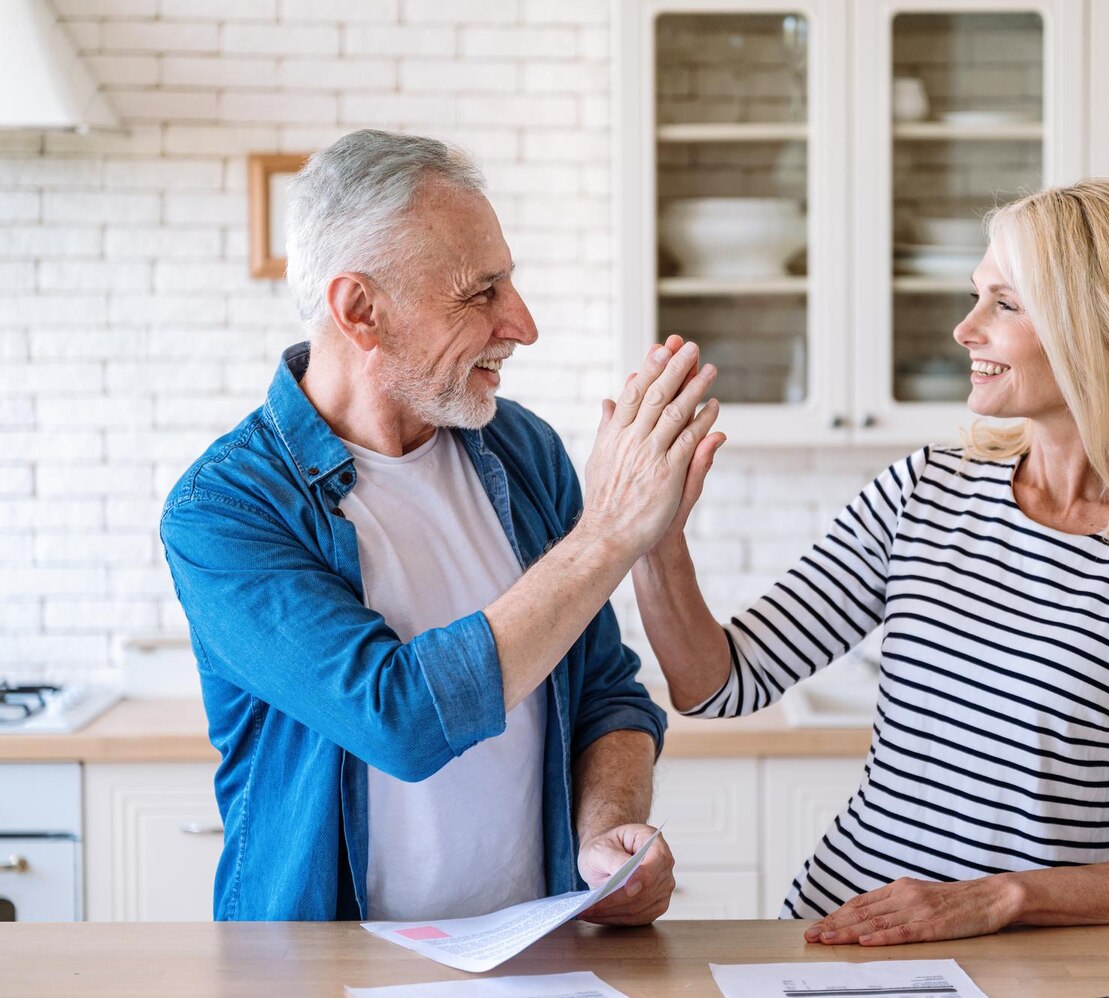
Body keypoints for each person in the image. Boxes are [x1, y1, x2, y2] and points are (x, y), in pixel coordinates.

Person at [632, 179, 1109, 945]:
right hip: (838, 938)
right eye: (977, 296)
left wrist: (1000, 898)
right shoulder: (924, 490)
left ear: (1103, 330)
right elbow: (721, 686)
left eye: (1005, 304)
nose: (966, 329)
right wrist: (654, 537)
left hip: (1027, 969)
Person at [160, 129, 723, 922]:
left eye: (511, 284)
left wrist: (603, 836)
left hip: (533, 956)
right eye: (480, 293)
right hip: (323, 967)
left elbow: (605, 692)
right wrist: (607, 536)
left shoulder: (522, 451)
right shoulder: (226, 509)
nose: (522, 324)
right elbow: (398, 720)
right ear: (361, 310)